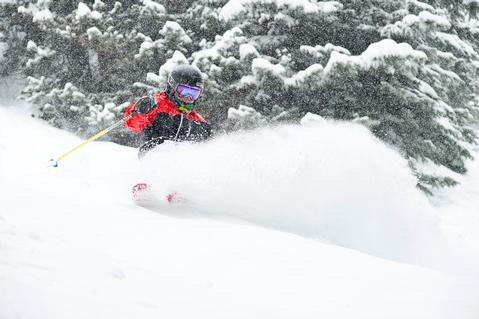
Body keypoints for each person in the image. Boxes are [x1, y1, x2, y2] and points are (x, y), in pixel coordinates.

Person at [124, 64, 212, 157]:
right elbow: (131, 124)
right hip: (153, 156)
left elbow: (210, 145)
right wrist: (140, 111)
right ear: (172, 88)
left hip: (181, 163)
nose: (189, 98)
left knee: (200, 129)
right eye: (184, 92)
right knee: (166, 120)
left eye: (194, 93)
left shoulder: (195, 118)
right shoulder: (157, 104)